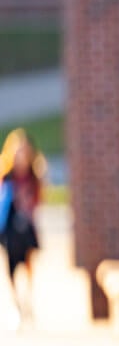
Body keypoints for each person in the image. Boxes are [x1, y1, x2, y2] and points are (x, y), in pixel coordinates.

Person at [0, 129, 47, 325]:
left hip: (26, 225)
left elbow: (39, 200)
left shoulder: (33, 176)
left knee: (28, 264)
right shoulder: (7, 176)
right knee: (10, 266)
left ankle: (27, 301)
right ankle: (18, 306)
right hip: (9, 227)